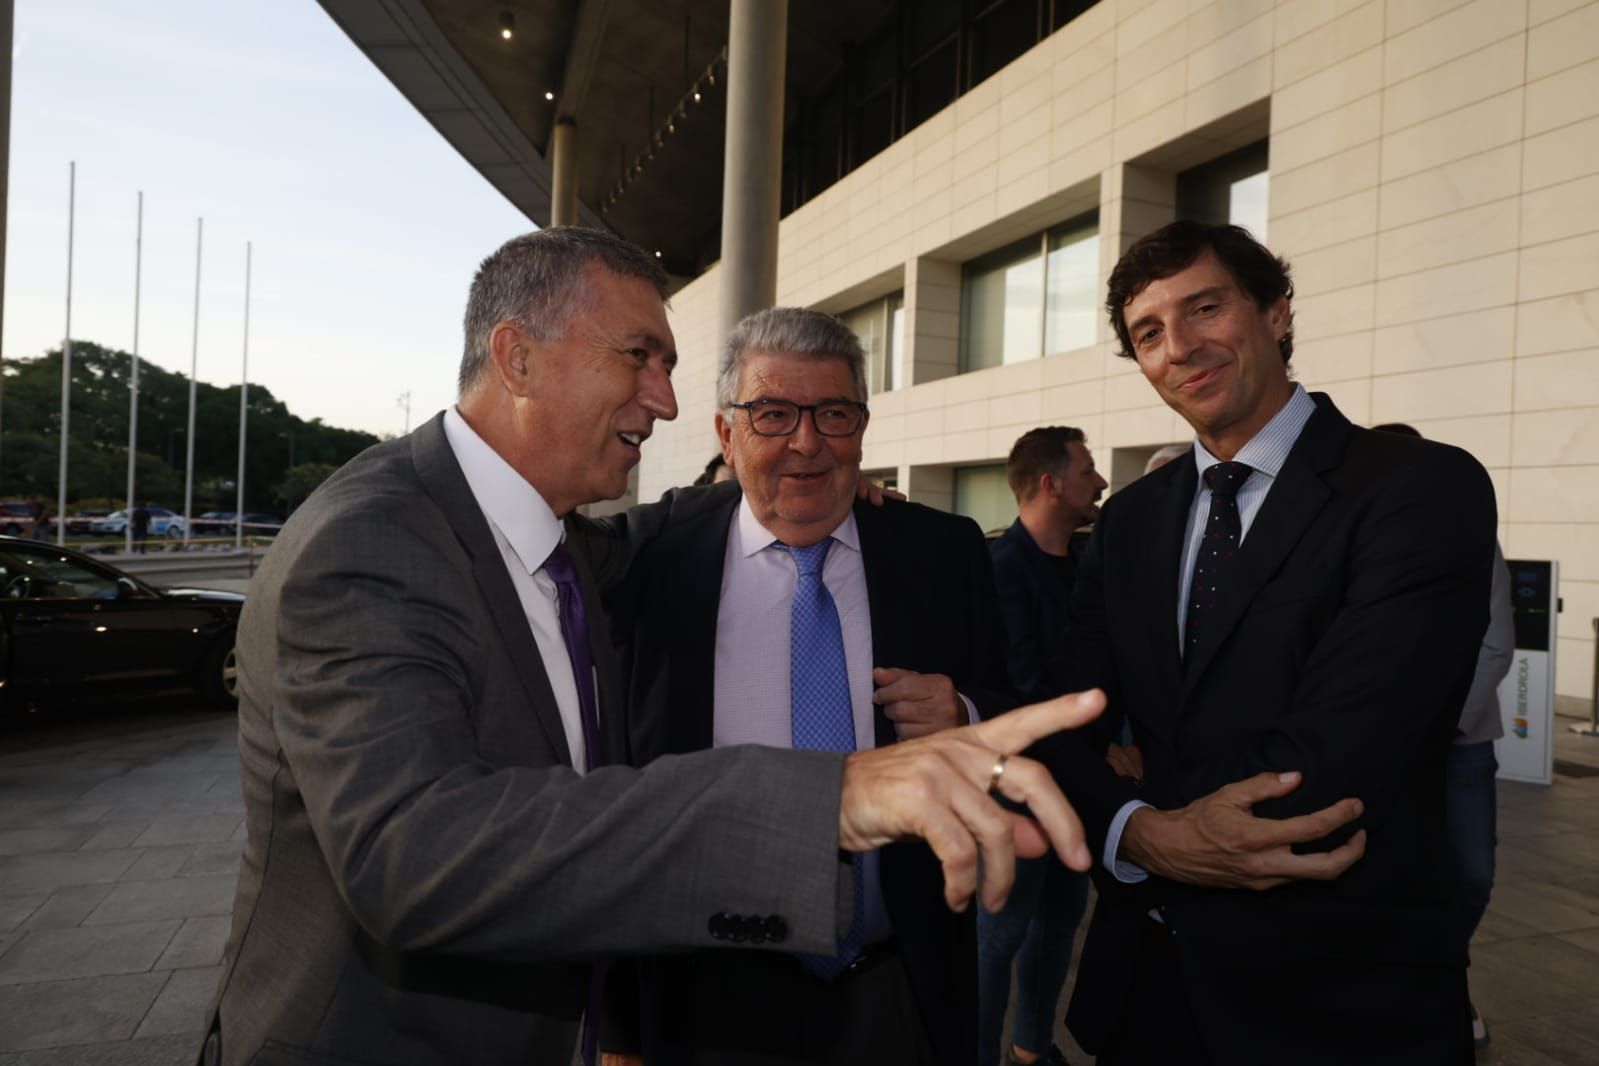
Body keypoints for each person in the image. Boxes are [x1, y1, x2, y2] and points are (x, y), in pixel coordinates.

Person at [201, 228, 1102, 1066]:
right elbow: (413, 852)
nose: (664, 401)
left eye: (833, 418)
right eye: (639, 357)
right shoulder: (373, 541)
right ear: (516, 357)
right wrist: (832, 794)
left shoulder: (573, 547)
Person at [1042, 220, 1497, 1064]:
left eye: (1204, 308)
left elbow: (1345, 750)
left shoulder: (1416, 489)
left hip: (1338, 1001)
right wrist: (1135, 834)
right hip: (1143, 998)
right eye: (1148, 333)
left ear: (1277, 313)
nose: (1178, 347)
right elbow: (1067, 716)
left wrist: (1140, 809)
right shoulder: (1132, 519)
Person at [598, 307, 1016, 1066]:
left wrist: (965, 712)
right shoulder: (650, 556)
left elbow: (1019, 703)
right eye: (773, 414)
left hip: (900, 989)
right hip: (704, 990)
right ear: (726, 435)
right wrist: (623, 1028)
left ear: (861, 425)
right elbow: (613, 781)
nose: (806, 442)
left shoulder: (940, 551)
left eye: (833, 413)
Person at [1373, 422, 1514, 1048]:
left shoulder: (1471, 536)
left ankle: (1441, 977)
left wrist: (1434, 726)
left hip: (1459, 744)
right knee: (1385, 877)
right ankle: (1418, 986)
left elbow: (1496, 642)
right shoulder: (1363, 541)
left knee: (1470, 874)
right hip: (1378, 745)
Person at [977, 427, 1106, 1066]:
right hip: (1019, 790)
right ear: (1051, 483)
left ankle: (1031, 1047)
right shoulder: (1002, 569)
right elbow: (1021, 690)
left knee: (1058, 926)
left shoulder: (1083, 564)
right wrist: (1104, 753)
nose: (1102, 482)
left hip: (1076, 784)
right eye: (1088, 470)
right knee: (1000, 936)